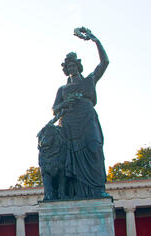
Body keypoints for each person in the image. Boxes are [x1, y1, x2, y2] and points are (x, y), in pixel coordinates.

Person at [51, 28, 109, 199]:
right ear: (66, 69)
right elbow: (54, 109)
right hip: (69, 125)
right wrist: (65, 103)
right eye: (68, 66)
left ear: (79, 66)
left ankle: (97, 189)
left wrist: (95, 40)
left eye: (74, 65)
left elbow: (104, 63)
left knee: (94, 148)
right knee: (70, 158)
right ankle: (73, 192)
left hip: (87, 120)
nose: (71, 68)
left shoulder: (89, 80)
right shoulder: (62, 89)